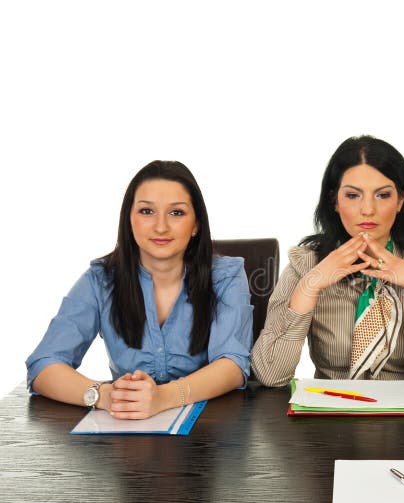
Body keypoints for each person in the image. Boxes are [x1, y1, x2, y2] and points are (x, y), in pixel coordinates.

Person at [26, 160, 253, 419]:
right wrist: (104, 395)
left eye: (176, 213)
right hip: (127, 433)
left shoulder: (225, 275)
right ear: (129, 219)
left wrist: (164, 397)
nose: (160, 227)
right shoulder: (100, 280)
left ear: (196, 225)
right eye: (147, 211)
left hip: (209, 430)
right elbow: (44, 365)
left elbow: (233, 365)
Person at [252, 135, 404, 388]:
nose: (368, 210)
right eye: (353, 195)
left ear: (401, 200)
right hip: (330, 414)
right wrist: (311, 285)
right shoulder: (305, 264)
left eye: (383, 195)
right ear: (335, 201)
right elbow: (270, 374)